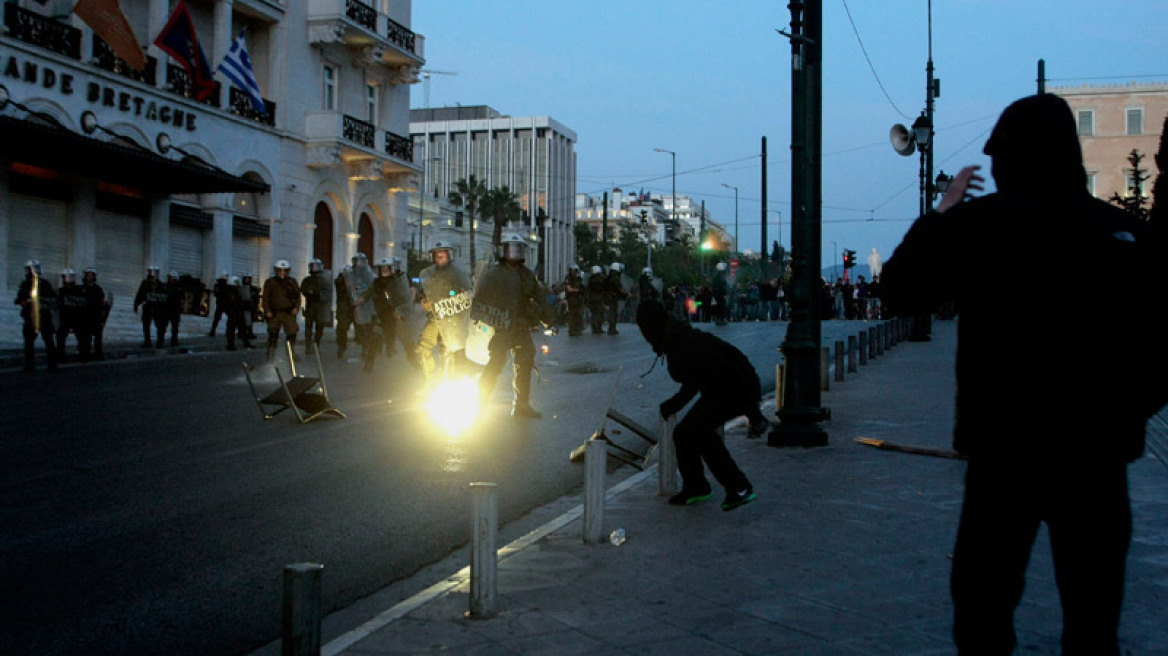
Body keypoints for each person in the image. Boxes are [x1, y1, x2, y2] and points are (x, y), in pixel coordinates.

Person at [881, 94, 1167, 656]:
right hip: (1095, 458)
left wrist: (943, 212)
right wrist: (1124, 416)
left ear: (1006, 159)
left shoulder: (979, 227)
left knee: (983, 611)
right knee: (1093, 616)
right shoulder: (1120, 234)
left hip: (1003, 452)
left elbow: (898, 289)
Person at [634, 299, 767, 510]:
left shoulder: (685, 343)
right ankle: (696, 487)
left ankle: (739, 487)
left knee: (698, 431)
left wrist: (755, 415)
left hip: (738, 387)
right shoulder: (673, 340)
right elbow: (694, 380)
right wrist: (673, 404)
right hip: (718, 388)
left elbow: (730, 375)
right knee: (683, 433)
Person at [474, 233, 548, 418]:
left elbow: (539, 298)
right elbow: (480, 298)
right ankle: (480, 400)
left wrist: (549, 321)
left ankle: (521, 405)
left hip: (521, 326)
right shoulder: (493, 273)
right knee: (496, 361)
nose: (514, 253)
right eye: (511, 249)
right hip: (502, 326)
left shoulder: (527, 274)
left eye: (518, 249)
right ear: (504, 250)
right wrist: (482, 322)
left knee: (525, 360)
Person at [416, 241, 473, 383]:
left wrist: (453, 296)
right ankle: (430, 381)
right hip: (435, 316)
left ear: (449, 256)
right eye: (437, 256)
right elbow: (424, 292)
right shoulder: (428, 274)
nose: (440, 258)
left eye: (443, 255)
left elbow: (466, 292)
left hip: (452, 317)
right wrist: (425, 301)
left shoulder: (457, 274)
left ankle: (446, 384)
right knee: (423, 347)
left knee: (447, 350)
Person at [14, 259, 58, 372]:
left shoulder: (45, 284)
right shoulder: (25, 284)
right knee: (29, 343)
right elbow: (19, 299)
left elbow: (54, 298)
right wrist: (26, 302)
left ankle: (52, 365)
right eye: (31, 269)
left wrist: (44, 302)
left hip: (44, 316)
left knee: (49, 341)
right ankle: (30, 365)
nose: (33, 271)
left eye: (35, 268)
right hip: (30, 317)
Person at [261, 259, 301, 362]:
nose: (282, 273)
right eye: (280, 270)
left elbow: (297, 297)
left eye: (284, 270)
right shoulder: (270, 282)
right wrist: (267, 310)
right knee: (273, 333)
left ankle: (291, 352)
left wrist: (296, 308)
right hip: (275, 313)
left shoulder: (292, 282)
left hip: (288, 313)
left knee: (292, 333)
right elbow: (265, 298)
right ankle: (271, 353)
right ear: (276, 271)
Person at [300, 259, 332, 355]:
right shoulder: (307, 280)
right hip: (310, 307)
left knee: (319, 328)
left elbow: (327, 293)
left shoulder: (324, 280)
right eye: (313, 266)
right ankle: (308, 346)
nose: (314, 268)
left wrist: (317, 294)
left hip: (320, 308)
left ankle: (316, 345)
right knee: (308, 328)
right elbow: (303, 290)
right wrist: (309, 293)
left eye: (316, 266)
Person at [133, 265, 168, 348]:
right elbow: (140, 294)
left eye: (153, 272)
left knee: (160, 326)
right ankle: (147, 342)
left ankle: (160, 342)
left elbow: (164, 297)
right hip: (148, 307)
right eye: (150, 272)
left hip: (157, 308)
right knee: (146, 325)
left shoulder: (161, 285)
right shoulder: (145, 283)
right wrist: (136, 304)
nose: (151, 274)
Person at [79, 267, 109, 361]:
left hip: (95, 317)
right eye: (88, 275)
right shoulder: (81, 288)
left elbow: (103, 303)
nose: (89, 277)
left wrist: (102, 317)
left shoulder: (98, 289)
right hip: (84, 317)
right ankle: (85, 355)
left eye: (91, 275)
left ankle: (98, 355)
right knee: (85, 338)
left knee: (98, 338)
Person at [56, 268, 86, 361]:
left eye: (71, 277)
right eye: (67, 277)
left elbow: (84, 303)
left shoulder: (79, 290)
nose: (69, 279)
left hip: (77, 317)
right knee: (60, 336)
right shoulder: (60, 291)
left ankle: (83, 355)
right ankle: (60, 356)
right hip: (65, 317)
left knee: (81, 337)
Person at [222, 276, 252, 351]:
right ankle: (231, 345)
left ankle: (246, 343)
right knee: (231, 330)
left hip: (238, 313)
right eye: (236, 283)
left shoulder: (236, 291)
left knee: (243, 329)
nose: (238, 284)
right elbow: (228, 304)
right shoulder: (229, 292)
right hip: (233, 314)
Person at [334, 263, 355, 359]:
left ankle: (365, 347)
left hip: (354, 307)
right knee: (342, 329)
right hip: (344, 308)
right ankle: (341, 347)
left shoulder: (354, 280)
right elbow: (339, 287)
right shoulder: (340, 281)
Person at [603, 262, 626, 335]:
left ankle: (611, 328)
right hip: (612, 297)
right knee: (613, 313)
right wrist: (625, 294)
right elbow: (619, 287)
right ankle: (612, 329)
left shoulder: (610, 276)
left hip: (609, 296)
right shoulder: (615, 277)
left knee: (612, 312)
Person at [164, 270, 184, 347]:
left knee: (175, 326)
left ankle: (174, 340)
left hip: (175, 309)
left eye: (171, 278)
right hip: (166, 309)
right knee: (163, 326)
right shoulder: (165, 287)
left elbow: (182, 297)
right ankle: (161, 339)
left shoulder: (178, 288)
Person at [564, 264, 585, 336]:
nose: (575, 272)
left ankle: (577, 329)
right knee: (573, 315)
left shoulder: (578, 278)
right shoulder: (569, 278)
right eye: (574, 271)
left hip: (577, 299)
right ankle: (572, 330)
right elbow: (569, 289)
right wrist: (578, 290)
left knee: (578, 315)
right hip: (572, 299)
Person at [586, 265, 606, 335]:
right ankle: (598, 328)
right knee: (600, 313)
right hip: (599, 297)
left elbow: (588, 289)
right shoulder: (601, 279)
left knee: (594, 313)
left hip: (592, 298)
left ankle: (594, 328)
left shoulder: (590, 279)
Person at [207, 272, 229, 337]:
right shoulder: (219, 285)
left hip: (224, 303)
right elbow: (217, 293)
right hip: (221, 303)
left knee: (217, 318)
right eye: (226, 276)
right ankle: (213, 331)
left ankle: (213, 331)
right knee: (217, 318)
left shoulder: (224, 285)